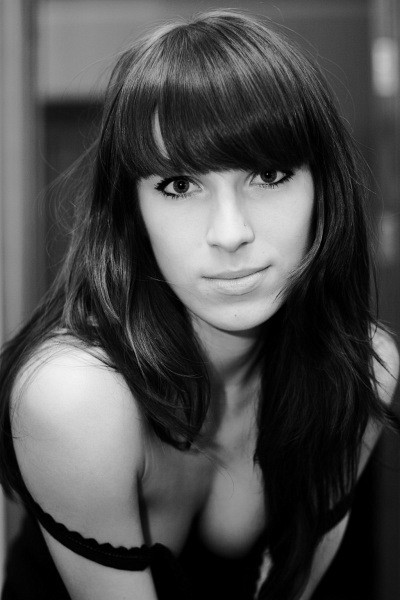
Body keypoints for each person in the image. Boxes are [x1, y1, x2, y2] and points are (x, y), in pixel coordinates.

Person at [0, 8, 398, 600]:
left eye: (269, 174)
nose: (230, 233)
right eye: (179, 186)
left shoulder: (362, 370)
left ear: (324, 189)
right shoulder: (75, 396)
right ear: (133, 212)